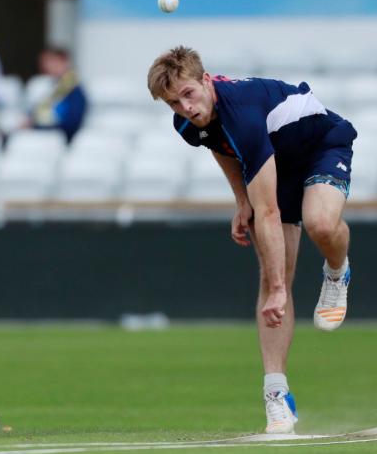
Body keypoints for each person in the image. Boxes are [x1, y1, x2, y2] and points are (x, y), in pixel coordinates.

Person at [147, 47, 356, 434]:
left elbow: (271, 213)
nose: (185, 108)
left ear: (206, 80)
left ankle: (337, 271)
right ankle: (277, 396)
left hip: (319, 146)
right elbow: (220, 146)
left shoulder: (242, 112)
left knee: (320, 225)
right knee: (271, 275)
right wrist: (241, 200)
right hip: (273, 158)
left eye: (189, 94)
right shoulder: (187, 124)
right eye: (173, 102)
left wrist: (281, 288)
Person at [26, 47, 88, 142]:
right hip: (45, 137)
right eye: (45, 63)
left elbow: (70, 125)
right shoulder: (49, 87)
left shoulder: (74, 91)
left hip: (60, 141)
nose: (48, 66)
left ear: (64, 61)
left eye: (52, 62)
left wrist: (35, 126)